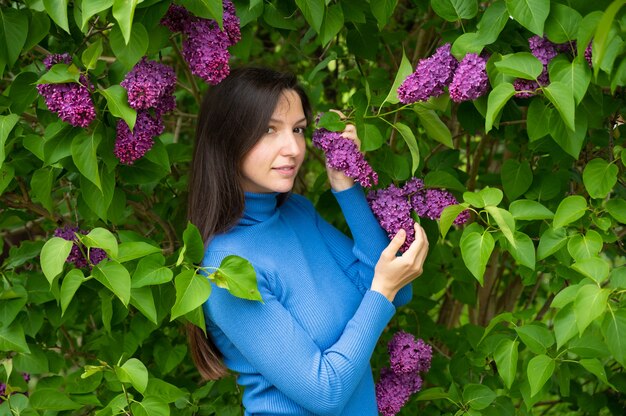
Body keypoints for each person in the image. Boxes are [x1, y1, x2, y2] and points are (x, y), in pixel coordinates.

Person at [187, 67, 429, 416]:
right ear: (227, 139)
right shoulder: (224, 268)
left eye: (298, 129)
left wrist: (347, 189)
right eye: (269, 129)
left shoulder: (298, 212)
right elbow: (325, 392)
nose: (293, 148)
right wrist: (383, 290)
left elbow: (396, 287)